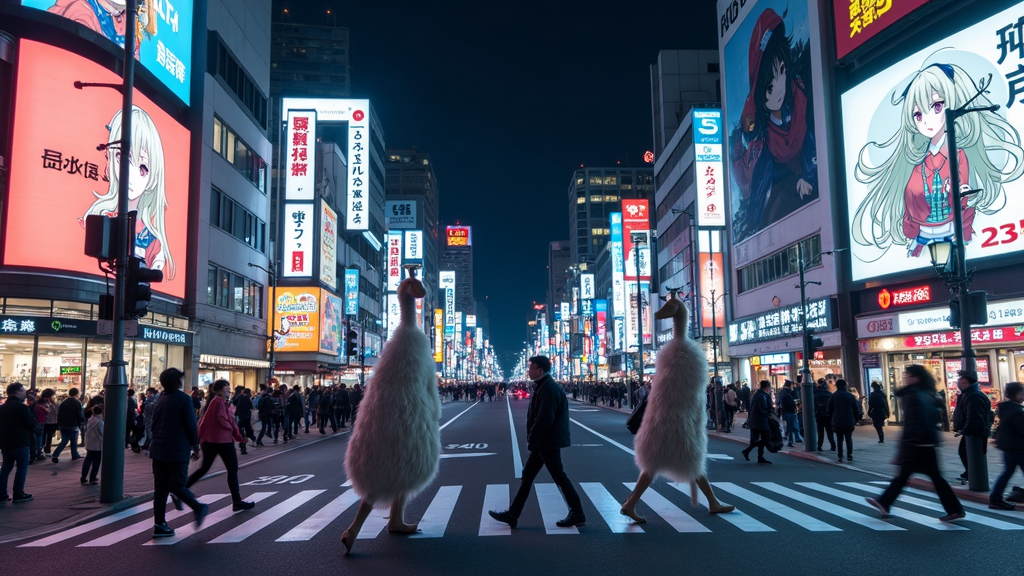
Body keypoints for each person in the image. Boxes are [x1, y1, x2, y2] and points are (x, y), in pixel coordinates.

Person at [342, 269, 441, 554]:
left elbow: (375, 393)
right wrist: (433, 412)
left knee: (383, 472)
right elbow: (427, 387)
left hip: (383, 421)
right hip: (412, 420)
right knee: (407, 465)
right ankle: (390, 520)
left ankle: (369, 525)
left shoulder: (391, 357)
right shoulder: (415, 350)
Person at [619, 295, 734, 523]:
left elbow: (666, 395)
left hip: (666, 422)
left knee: (661, 465)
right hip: (679, 423)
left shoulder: (673, 359)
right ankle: (711, 502)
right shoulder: (685, 359)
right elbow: (689, 398)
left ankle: (632, 503)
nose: (660, 313)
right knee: (689, 460)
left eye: (668, 309)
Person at [490, 355, 586, 530]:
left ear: (540, 370)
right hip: (545, 441)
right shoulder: (544, 386)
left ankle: (577, 512)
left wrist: (532, 439)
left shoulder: (548, 389)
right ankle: (513, 514)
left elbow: (544, 419)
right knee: (528, 476)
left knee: (558, 476)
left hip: (547, 441)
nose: (528, 371)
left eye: (531, 367)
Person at [866, 365, 964, 522]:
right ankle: (955, 509)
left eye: (908, 375)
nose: (905, 378)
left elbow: (914, 422)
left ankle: (884, 502)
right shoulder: (926, 393)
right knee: (921, 476)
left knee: (908, 475)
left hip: (917, 443)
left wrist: (906, 445)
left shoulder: (914, 395)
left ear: (916, 378)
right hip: (926, 441)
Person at [149, 368, 208, 538]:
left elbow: (153, 424)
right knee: (177, 484)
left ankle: (160, 524)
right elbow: (191, 424)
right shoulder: (183, 399)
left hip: (158, 449)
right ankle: (198, 507)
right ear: (178, 382)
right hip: (177, 448)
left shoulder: (160, 399)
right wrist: (195, 446)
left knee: (160, 489)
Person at [185, 380, 255, 512]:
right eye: (226, 389)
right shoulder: (218, 402)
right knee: (232, 469)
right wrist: (237, 436)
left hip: (210, 441)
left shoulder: (216, 402)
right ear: (218, 391)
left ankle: (181, 489)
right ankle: (237, 501)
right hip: (222, 441)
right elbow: (225, 420)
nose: (228, 391)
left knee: (205, 468)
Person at [990, 382, 1024, 510]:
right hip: (1018, 447)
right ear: (1016, 395)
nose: (1023, 396)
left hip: (1009, 447)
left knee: (1007, 472)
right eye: (1021, 393)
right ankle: (996, 498)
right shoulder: (1017, 411)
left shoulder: (1005, 408)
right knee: (1007, 472)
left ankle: (995, 498)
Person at [953, 370, 991, 482]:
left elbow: (974, 417)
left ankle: (974, 475)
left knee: (969, 453)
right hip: (972, 430)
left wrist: (964, 429)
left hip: (975, 432)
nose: (959, 385)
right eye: (959, 383)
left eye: (962, 383)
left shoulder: (974, 396)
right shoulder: (969, 395)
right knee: (965, 452)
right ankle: (970, 473)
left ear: (968, 383)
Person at [0, 382, 35, 503]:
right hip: (20, 442)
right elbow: (31, 424)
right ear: (17, 392)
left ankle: (1, 494)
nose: (25, 393)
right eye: (23, 391)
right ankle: (18, 493)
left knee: (6, 467)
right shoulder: (21, 407)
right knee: (22, 466)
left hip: (5, 442)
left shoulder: (2, 407)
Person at [827, 379, 862, 464]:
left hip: (837, 420)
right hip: (849, 420)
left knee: (839, 439)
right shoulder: (850, 396)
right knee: (848, 438)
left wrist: (832, 418)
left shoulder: (833, 396)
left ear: (837, 386)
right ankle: (849, 455)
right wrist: (856, 419)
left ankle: (840, 456)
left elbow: (829, 409)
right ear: (845, 386)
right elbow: (856, 409)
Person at [742, 380, 774, 464]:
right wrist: (770, 414)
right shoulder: (762, 396)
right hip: (761, 421)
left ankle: (757, 455)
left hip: (756, 420)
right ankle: (755, 455)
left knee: (760, 439)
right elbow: (763, 408)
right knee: (764, 438)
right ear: (766, 387)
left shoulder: (758, 394)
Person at [52, 387, 85, 463]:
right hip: (73, 424)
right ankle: (74, 454)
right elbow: (79, 415)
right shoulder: (77, 403)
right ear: (77, 394)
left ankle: (56, 455)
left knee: (65, 440)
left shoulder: (63, 403)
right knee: (73, 440)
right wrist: (80, 423)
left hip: (63, 424)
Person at [80, 405, 103, 486]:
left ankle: (83, 478)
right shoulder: (100, 422)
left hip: (90, 443)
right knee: (96, 462)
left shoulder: (90, 419)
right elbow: (102, 433)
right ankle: (92, 478)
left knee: (88, 461)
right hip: (98, 445)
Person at [231, 386, 255, 454]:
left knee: (238, 431)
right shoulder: (244, 397)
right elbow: (250, 406)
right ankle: (243, 446)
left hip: (236, 417)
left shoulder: (234, 397)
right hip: (244, 417)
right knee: (244, 432)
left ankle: (240, 445)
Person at [813, 379, 836, 452]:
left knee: (820, 431)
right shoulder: (830, 394)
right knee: (830, 431)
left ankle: (819, 446)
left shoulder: (816, 395)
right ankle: (833, 445)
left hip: (819, 415)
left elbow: (814, 406)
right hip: (828, 415)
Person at [779, 380, 802, 447]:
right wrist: (795, 406)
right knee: (791, 426)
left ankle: (794, 439)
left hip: (786, 412)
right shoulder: (787, 393)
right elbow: (790, 403)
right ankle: (791, 440)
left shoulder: (783, 392)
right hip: (789, 412)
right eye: (792, 385)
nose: (793, 387)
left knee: (790, 426)